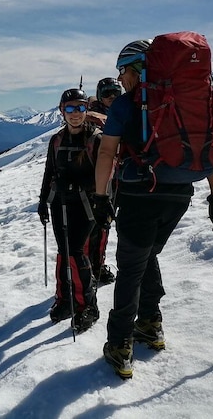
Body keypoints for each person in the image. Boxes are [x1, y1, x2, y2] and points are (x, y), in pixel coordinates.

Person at [93, 39, 213, 379]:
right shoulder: (192, 102)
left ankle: (120, 343)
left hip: (141, 196)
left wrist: (99, 198)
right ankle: (150, 324)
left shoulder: (126, 106)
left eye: (123, 70)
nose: (121, 79)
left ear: (138, 67)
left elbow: (107, 153)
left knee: (130, 267)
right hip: (179, 196)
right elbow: (207, 148)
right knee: (146, 256)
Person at [37, 88, 102, 333]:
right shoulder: (57, 140)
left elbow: (103, 175)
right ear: (62, 111)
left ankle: (88, 305)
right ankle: (65, 298)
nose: (76, 113)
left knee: (75, 251)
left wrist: (76, 184)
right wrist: (43, 201)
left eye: (81, 108)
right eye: (71, 108)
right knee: (64, 250)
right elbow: (49, 172)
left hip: (86, 205)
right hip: (59, 203)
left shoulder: (95, 139)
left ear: (87, 109)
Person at [85, 76, 124, 286]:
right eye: (107, 93)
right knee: (95, 227)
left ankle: (94, 266)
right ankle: (91, 268)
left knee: (101, 227)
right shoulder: (94, 118)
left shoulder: (119, 113)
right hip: (98, 181)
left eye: (115, 92)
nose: (111, 97)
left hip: (113, 179)